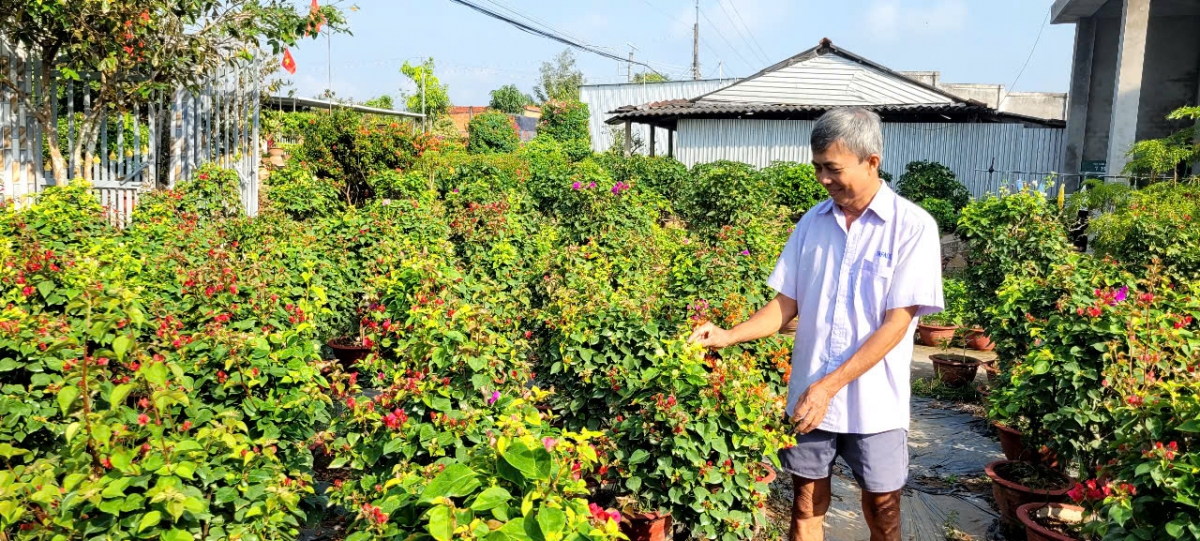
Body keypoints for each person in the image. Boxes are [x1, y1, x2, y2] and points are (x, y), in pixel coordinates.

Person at [689, 108, 944, 541]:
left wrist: (827, 387)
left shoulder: (912, 227)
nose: (824, 178)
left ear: (872, 162)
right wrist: (728, 335)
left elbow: (896, 325)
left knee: (883, 513)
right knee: (806, 508)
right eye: (817, 168)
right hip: (810, 400)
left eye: (833, 168)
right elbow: (784, 305)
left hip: (874, 404)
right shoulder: (812, 223)